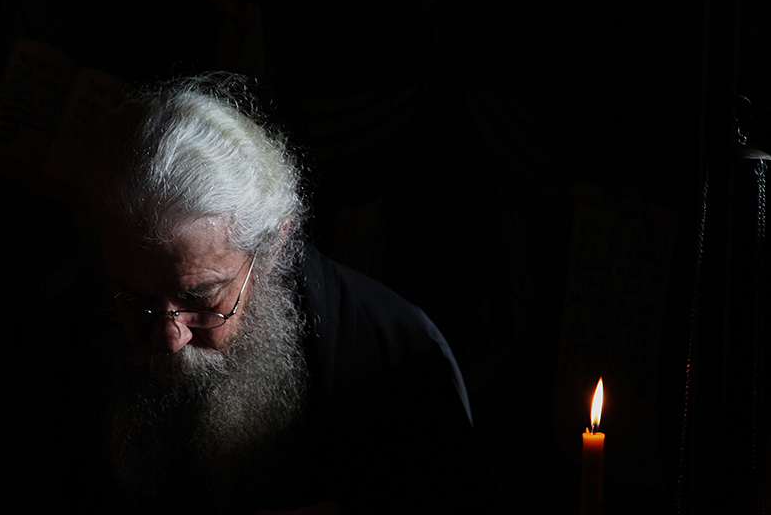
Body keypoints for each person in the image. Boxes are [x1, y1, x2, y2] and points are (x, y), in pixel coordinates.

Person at [63, 74, 505, 515]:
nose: (167, 336)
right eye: (134, 298)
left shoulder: (396, 354)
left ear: (272, 247)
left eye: (199, 299)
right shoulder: (61, 330)